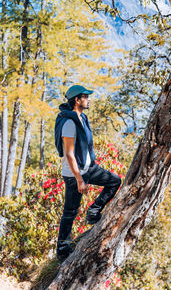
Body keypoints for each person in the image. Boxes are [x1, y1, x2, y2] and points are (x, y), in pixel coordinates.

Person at [54, 85, 121, 261]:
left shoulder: (82, 117)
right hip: (74, 174)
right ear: (77, 100)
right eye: (86, 97)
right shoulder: (69, 122)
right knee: (70, 212)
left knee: (114, 181)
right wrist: (79, 180)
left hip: (89, 168)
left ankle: (94, 211)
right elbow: (69, 154)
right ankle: (62, 250)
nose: (89, 99)